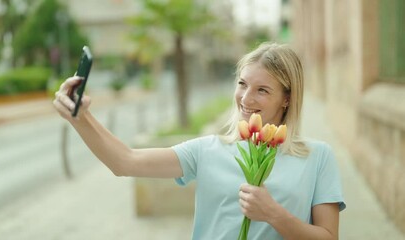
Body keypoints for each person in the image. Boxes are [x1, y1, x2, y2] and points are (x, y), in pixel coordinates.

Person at [53, 42, 346, 240]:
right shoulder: (207, 150)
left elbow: (328, 237)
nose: (246, 98)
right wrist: (79, 117)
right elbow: (125, 161)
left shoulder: (318, 157)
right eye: (242, 84)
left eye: (262, 90)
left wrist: (273, 214)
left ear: (287, 98)